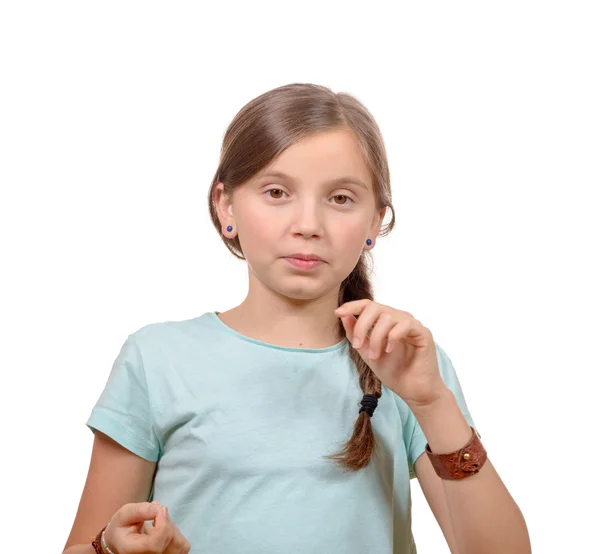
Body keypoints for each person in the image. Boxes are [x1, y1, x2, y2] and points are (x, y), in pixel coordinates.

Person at [63, 83, 530, 554]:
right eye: (276, 192)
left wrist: (432, 403)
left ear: (375, 222)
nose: (308, 224)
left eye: (341, 199)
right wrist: (110, 547)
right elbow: (84, 544)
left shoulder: (407, 364)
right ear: (226, 205)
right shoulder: (157, 358)